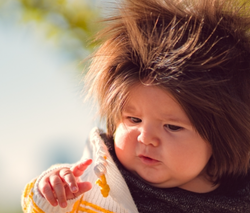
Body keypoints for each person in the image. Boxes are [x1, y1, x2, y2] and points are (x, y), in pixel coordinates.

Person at [21, 0, 250, 212]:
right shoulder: (101, 182)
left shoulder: (240, 194)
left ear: (222, 138)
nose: (146, 138)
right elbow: (44, 206)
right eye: (134, 120)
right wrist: (51, 188)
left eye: (172, 126)